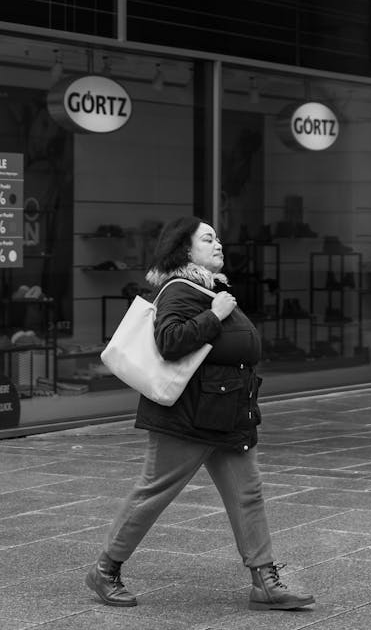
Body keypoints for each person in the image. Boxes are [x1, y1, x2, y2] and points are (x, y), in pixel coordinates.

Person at [86, 216, 314, 612]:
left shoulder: (210, 288)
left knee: (248, 494)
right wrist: (217, 314)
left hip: (228, 414)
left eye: (218, 237)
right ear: (185, 250)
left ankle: (264, 580)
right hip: (187, 417)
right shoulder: (179, 289)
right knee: (154, 493)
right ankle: (105, 570)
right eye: (207, 238)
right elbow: (170, 341)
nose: (218, 243)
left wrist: (220, 310)